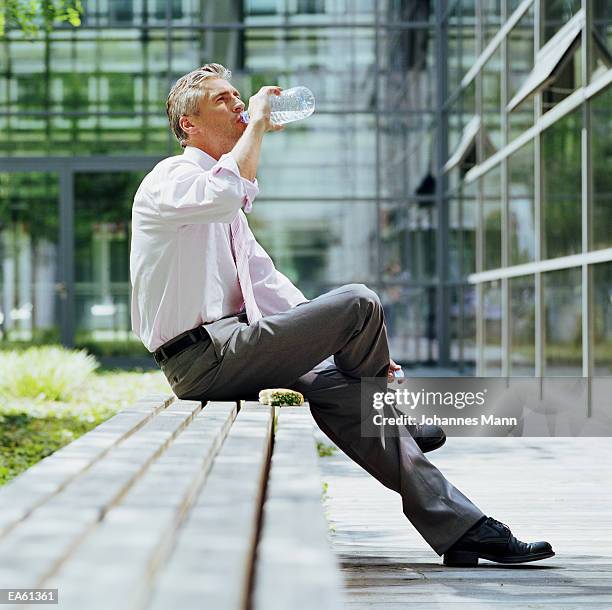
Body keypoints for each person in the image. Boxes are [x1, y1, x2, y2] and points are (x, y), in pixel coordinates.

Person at [129, 63, 554, 567]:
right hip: (202, 357)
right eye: (222, 99)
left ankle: (462, 528)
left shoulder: (224, 206)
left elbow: (271, 289)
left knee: (346, 393)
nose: (239, 104)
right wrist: (261, 123)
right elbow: (228, 193)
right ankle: (391, 411)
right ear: (188, 125)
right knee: (359, 302)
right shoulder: (172, 179)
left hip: (236, 347)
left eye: (238, 95)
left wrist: (345, 348)